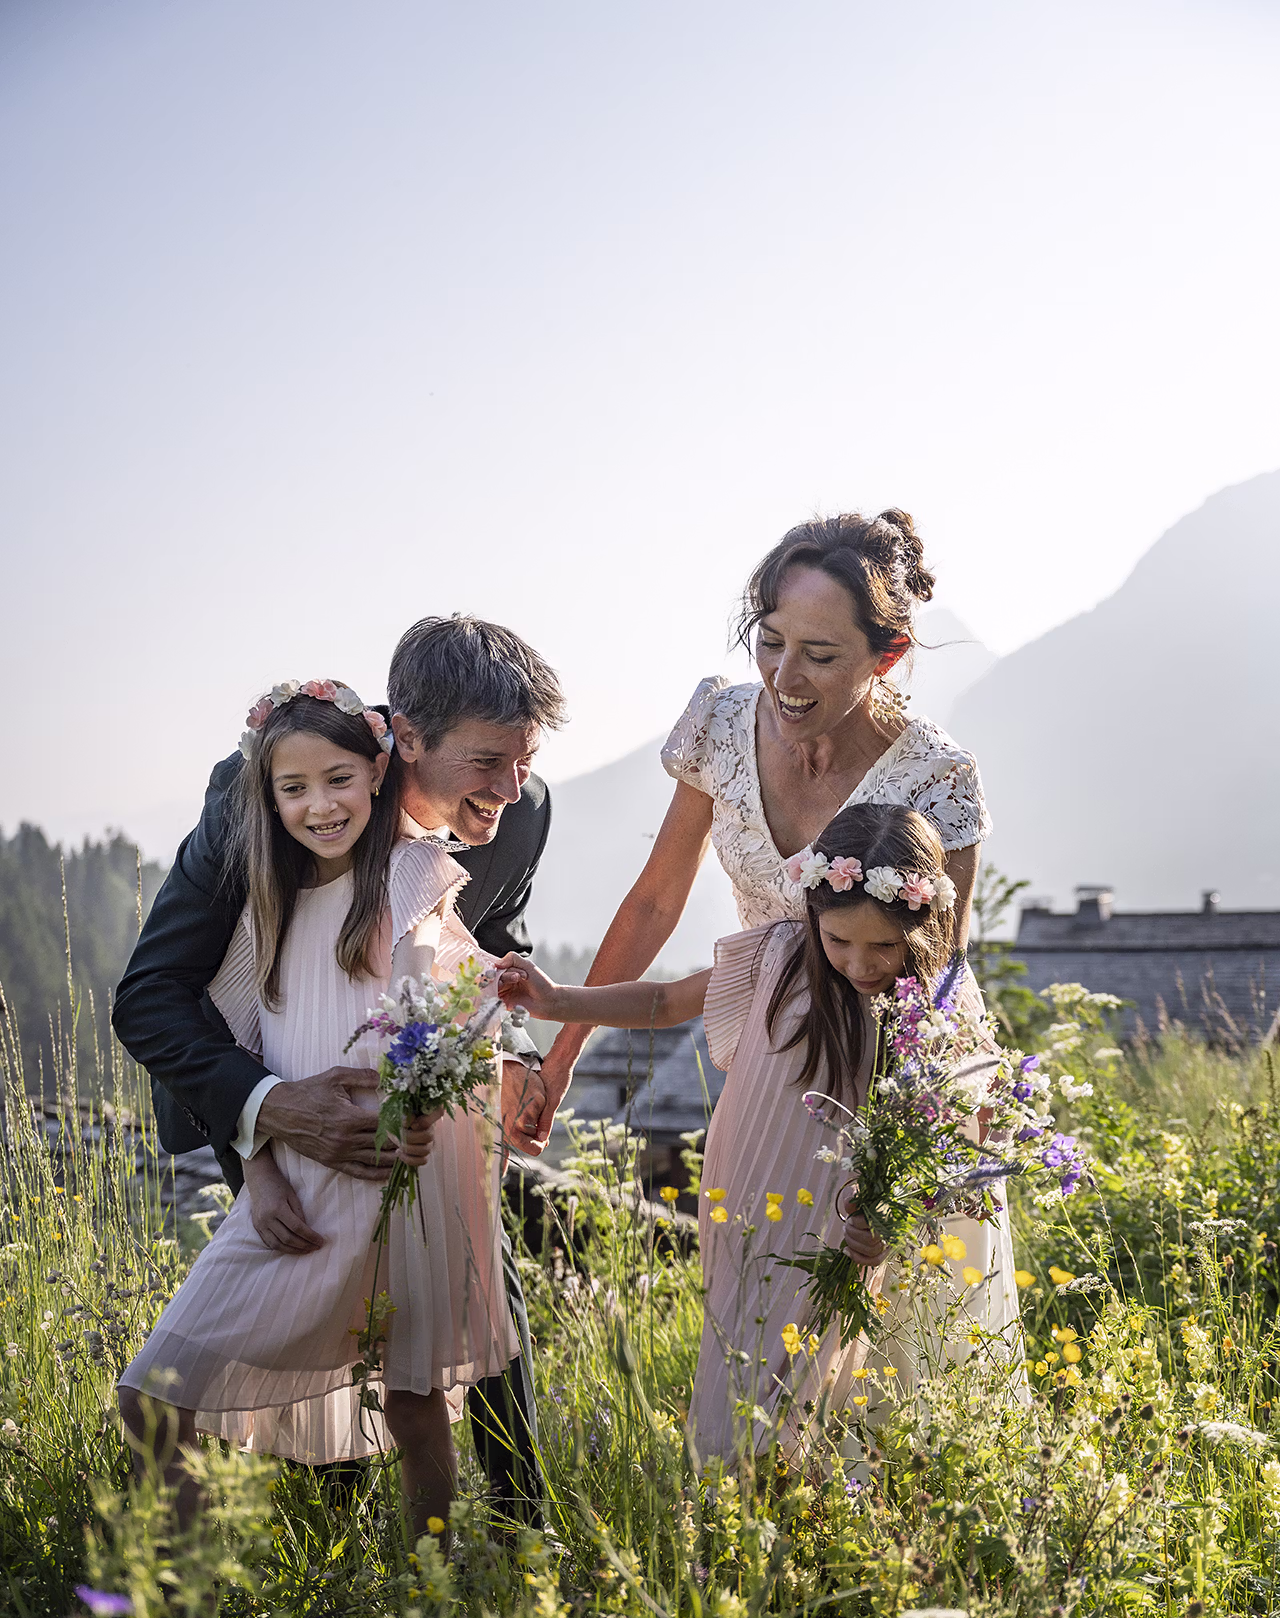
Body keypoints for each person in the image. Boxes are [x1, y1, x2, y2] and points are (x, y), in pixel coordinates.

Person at [113, 616, 565, 1526]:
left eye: (522, 762)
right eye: (484, 764)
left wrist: (512, 1057)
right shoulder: (268, 791)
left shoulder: (523, 811)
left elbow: (481, 949)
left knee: (470, 1315)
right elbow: (161, 993)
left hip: (432, 1137)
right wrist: (266, 1125)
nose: (509, 791)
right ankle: (322, 1544)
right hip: (276, 1097)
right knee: (300, 1330)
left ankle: (519, 1531)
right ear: (407, 739)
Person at [490, 805, 1026, 1467]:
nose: (858, 962)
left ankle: (792, 1528)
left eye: (882, 947)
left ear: (921, 923)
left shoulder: (936, 1004)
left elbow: (960, 1131)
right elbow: (666, 1003)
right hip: (753, 1197)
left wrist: (891, 1217)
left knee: (831, 1386)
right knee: (742, 1363)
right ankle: (734, 1522)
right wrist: (559, 1002)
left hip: (848, 1221)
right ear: (814, 917)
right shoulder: (777, 956)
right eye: (840, 941)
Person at [531, 511, 991, 1144]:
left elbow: (941, 973)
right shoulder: (720, 724)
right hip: (767, 1057)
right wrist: (560, 1061)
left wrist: (900, 1155)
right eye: (772, 642)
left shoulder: (937, 778)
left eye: (821, 655)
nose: (784, 677)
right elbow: (655, 901)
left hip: (893, 1082)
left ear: (888, 655)